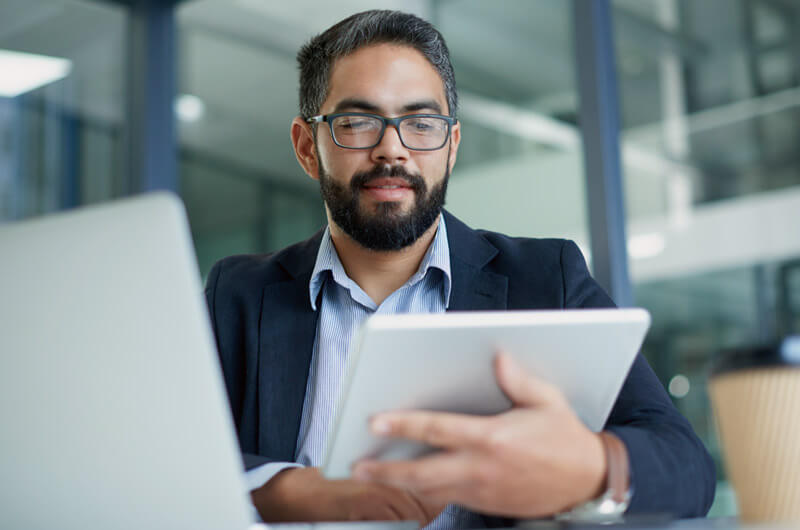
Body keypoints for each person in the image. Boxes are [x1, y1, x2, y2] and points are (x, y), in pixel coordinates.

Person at [204, 9, 716, 528]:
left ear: (451, 147)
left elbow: (688, 468)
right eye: (356, 123)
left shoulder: (545, 278)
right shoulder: (238, 294)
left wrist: (591, 466)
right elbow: (165, 454)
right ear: (306, 148)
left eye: (421, 124)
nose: (392, 149)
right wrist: (289, 491)